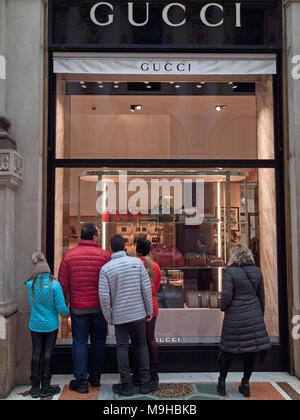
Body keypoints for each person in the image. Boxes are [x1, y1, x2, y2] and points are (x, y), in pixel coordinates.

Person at [58, 223, 111, 394]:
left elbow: (62, 283)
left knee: (79, 342)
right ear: (94, 237)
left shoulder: (69, 256)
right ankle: (95, 378)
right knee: (98, 342)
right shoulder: (104, 256)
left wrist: (64, 305)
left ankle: (81, 381)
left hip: (79, 307)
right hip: (99, 307)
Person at [99, 234, 153, 396]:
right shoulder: (137, 263)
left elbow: (104, 296)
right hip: (138, 314)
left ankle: (126, 385)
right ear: (124, 247)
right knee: (141, 345)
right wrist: (149, 310)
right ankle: (144, 383)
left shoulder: (106, 269)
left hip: (120, 316)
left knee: (122, 347)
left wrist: (109, 317)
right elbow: (146, 289)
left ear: (110, 249)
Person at [217, 243, 271, 398]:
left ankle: (221, 382)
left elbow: (226, 296)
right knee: (250, 352)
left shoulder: (231, 272)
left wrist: (223, 307)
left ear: (233, 256)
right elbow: (262, 296)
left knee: (227, 350)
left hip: (234, 316)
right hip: (253, 315)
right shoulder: (257, 271)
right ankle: (245, 383)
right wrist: (259, 315)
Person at [26, 252, 69, 398]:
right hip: (50, 325)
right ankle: (45, 385)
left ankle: (34, 387)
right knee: (48, 353)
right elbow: (61, 307)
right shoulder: (54, 285)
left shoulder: (30, 285)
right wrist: (67, 313)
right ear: (48, 270)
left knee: (36, 353)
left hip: (35, 324)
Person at [133, 238, 161, 390]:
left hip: (138, 306)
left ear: (137, 250)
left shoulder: (135, 265)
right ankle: (154, 373)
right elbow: (155, 288)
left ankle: (139, 372)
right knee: (151, 339)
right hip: (152, 305)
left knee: (138, 341)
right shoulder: (155, 266)